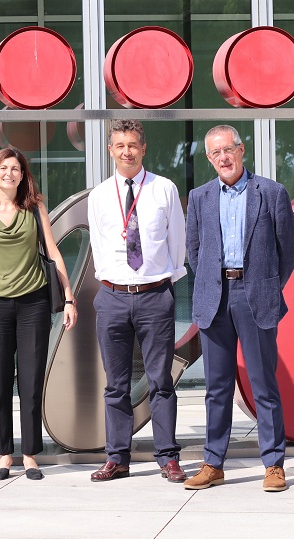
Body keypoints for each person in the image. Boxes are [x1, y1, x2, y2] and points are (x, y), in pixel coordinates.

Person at [184, 124, 294, 492]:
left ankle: (274, 464)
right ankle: (213, 463)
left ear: (241, 149)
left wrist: (265, 285)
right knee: (216, 388)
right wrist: (213, 282)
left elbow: (288, 252)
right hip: (214, 298)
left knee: (263, 384)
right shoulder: (199, 197)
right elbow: (195, 252)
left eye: (228, 149)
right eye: (215, 153)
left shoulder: (272, 192)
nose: (223, 157)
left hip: (255, 296)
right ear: (209, 158)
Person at [87, 119, 188, 484]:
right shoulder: (99, 196)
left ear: (143, 149)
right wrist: (113, 280)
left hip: (154, 296)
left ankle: (168, 457)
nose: (126, 151)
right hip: (113, 296)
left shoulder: (164, 189)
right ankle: (117, 457)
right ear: (110, 151)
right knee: (116, 384)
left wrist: (163, 283)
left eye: (133, 144)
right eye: (120, 145)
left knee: (161, 381)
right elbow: (99, 247)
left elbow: (177, 242)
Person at [0, 148, 78, 481]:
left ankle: (30, 454)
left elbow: (54, 252)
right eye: (3, 168)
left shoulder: (34, 209)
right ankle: (5, 454)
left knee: (30, 382)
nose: (9, 174)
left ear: (22, 175)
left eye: (15, 168)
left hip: (34, 305)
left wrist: (69, 297)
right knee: (0, 382)